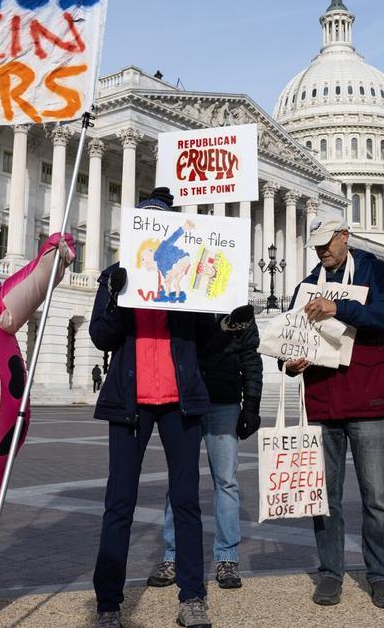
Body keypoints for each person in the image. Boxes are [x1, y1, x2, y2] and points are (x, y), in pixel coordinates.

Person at [90, 187, 232, 628]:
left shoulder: (187, 274)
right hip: (130, 401)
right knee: (120, 502)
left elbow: (208, 343)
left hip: (179, 402)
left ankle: (192, 597)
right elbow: (100, 336)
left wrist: (222, 313)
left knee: (187, 501)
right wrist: (116, 298)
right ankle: (109, 603)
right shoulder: (116, 275)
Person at [283, 217, 384, 610]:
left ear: (344, 236)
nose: (322, 251)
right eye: (316, 245)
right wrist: (290, 362)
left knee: (377, 498)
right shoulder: (306, 285)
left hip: (369, 399)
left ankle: (381, 574)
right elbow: (289, 339)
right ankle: (330, 572)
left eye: (327, 243)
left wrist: (339, 306)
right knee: (325, 498)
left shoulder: (373, 269)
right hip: (322, 401)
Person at [148, 304, 262, 590]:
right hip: (185, 399)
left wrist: (251, 406)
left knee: (226, 481)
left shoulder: (238, 304)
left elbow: (251, 358)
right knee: (180, 478)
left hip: (224, 401)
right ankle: (173, 555)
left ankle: (227, 557)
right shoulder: (188, 303)